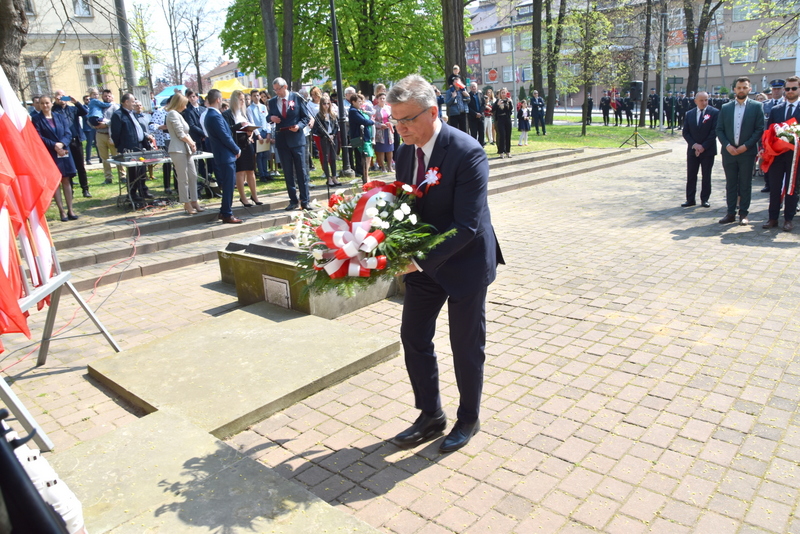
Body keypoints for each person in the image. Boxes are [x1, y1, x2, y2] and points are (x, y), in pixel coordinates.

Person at [387, 75, 503, 453]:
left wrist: (417, 261)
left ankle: (468, 417)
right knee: (414, 337)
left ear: (433, 112)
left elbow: (467, 225)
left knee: (465, 345)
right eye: (394, 120)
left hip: (464, 262)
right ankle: (431, 415)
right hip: (423, 264)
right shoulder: (404, 152)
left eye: (406, 120)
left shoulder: (467, 152)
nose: (400, 128)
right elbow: (407, 208)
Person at [716, 77, 764, 226]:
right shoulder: (726, 108)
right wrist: (728, 145)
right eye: (739, 87)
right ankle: (730, 213)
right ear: (734, 89)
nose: (741, 90)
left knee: (745, 183)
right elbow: (719, 129)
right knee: (731, 183)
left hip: (747, 153)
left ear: (749, 89)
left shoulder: (756, 107)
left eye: (744, 87)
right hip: (729, 152)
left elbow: (759, 129)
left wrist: (746, 146)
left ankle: (743, 213)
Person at [267, 77, 312, 210]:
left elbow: (306, 117)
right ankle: (293, 200)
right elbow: (268, 117)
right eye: (274, 90)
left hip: (297, 140)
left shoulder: (296, 98)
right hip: (282, 140)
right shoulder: (272, 102)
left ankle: (305, 200)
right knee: (287, 172)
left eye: (278, 89)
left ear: (285, 87)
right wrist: (271, 118)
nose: (276, 92)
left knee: (301, 171)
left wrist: (299, 126)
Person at [32, 95, 79, 221]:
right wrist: (54, 145)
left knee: (66, 180)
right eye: (42, 103)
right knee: (56, 181)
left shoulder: (59, 116)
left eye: (47, 103)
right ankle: (62, 211)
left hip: (64, 151)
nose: (45, 105)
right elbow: (38, 137)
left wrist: (62, 144)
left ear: (51, 104)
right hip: (50, 153)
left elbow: (68, 133)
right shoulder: (36, 119)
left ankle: (70, 209)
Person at [763, 76, 800, 232]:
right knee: (775, 186)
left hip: (796, 157)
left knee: (792, 187)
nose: (790, 91)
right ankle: (773, 218)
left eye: (793, 88)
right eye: (788, 89)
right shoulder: (776, 110)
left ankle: (788, 219)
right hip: (777, 155)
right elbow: (769, 131)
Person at [203, 88, 242, 224]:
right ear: (218, 99)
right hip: (224, 155)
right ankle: (227, 213)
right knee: (228, 185)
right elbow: (225, 136)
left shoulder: (212, 115)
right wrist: (237, 149)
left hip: (223, 154)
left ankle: (224, 210)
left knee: (228, 184)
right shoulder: (214, 116)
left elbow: (225, 132)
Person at [110, 93, 155, 203]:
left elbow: (137, 129)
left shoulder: (133, 113)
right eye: (133, 101)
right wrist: (121, 147)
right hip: (129, 147)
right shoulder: (118, 115)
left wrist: (145, 137)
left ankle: (143, 190)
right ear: (126, 102)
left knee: (142, 169)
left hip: (140, 145)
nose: (135, 103)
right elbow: (115, 133)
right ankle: (133, 193)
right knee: (133, 171)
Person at [165, 93, 203, 215]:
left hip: (186, 149)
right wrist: (192, 143)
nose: (186, 107)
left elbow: (186, 132)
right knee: (183, 178)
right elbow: (180, 133)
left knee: (193, 175)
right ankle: (186, 203)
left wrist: (192, 143)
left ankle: (194, 200)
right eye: (184, 105)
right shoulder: (172, 114)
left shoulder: (179, 115)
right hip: (177, 149)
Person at [223, 90, 262, 207]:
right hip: (236, 143)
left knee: (251, 170)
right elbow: (227, 130)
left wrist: (250, 132)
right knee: (240, 172)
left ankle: (254, 195)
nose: (242, 102)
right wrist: (240, 126)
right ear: (234, 100)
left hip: (247, 142)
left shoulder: (244, 113)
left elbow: (249, 125)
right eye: (240, 100)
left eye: (243, 100)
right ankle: (243, 197)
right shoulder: (228, 114)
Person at [681, 92, 718, 209]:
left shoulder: (714, 113)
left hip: (708, 150)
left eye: (706, 100)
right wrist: (695, 145)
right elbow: (685, 132)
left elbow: (714, 131)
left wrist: (703, 146)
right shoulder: (689, 114)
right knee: (691, 175)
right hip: (693, 150)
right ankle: (690, 199)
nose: (704, 103)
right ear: (695, 101)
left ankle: (705, 199)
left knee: (706, 175)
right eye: (701, 100)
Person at [52, 89, 91, 198]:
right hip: (64, 143)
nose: (62, 99)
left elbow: (84, 112)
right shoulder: (54, 110)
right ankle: (70, 191)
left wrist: (76, 102)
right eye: (59, 96)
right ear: (55, 98)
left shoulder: (73, 109)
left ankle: (85, 189)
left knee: (81, 167)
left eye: (64, 96)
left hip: (76, 141)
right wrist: (56, 103)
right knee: (68, 167)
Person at [149, 101, 178, 194]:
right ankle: (167, 186)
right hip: (163, 141)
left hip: (175, 140)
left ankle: (178, 186)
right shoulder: (159, 112)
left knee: (177, 164)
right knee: (167, 164)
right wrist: (160, 126)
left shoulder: (176, 112)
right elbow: (151, 126)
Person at [312, 95, 341, 186]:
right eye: (324, 104)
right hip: (324, 139)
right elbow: (316, 129)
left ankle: (334, 177)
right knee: (326, 157)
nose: (326, 105)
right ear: (321, 105)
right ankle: (328, 178)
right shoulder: (319, 115)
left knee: (333, 158)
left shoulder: (333, 114)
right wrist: (326, 135)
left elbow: (336, 126)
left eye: (328, 103)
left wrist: (333, 135)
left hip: (333, 138)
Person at [93, 89, 119, 185]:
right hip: (100, 134)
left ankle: (122, 176)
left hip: (111, 135)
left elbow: (117, 120)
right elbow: (90, 119)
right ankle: (108, 177)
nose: (107, 98)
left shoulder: (115, 107)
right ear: (102, 97)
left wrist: (106, 124)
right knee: (104, 158)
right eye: (105, 96)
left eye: (109, 96)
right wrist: (94, 125)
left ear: (111, 96)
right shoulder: (97, 107)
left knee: (117, 156)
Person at [348, 93, 375, 183]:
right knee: (366, 156)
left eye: (361, 101)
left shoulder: (358, 110)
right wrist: (371, 122)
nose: (361, 103)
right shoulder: (353, 111)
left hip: (365, 137)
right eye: (359, 101)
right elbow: (363, 121)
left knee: (368, 156)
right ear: (353, 102)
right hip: (359, 138)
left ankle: (366, 174)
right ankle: (365, 176)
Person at [248, 89, 270, 183]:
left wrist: (268, 132)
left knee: (265, 154)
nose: (256, 97)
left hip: (265, 131)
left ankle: (266, 172)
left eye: (257, 95)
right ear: (251, 97)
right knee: (259, 155)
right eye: (254, 96)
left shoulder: (263, 107)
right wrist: (258, 134)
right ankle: (262, 174)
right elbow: (252, 122)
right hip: (258, 133)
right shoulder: (250, 109)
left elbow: (267, 120)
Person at [373, 93, 394, 172]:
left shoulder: (389, 108)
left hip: (389, 131)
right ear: (377, 100)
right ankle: (383, 168)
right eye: (380, 98)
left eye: (383, 98)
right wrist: (380, 125)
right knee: (381, 150)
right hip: (380, 132)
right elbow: (372, 121)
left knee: (390, 149)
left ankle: (390, 167)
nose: (382, 100)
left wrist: (390, 124)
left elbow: (393, 118)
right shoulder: (374, 109)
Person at [492, 87, 513, 158]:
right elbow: (493, 109)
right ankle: (501, 151)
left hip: (507, 119)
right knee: (502, 135)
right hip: (500, 119)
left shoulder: (508, 100)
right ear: (500, 94)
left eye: (505, 93)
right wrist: (497, 104)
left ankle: (508, 151)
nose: (504, 94)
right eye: (502, 93)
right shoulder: (498, 100)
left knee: (508, 135)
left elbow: (511, 109)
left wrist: (510, 102)